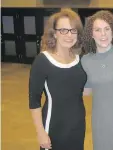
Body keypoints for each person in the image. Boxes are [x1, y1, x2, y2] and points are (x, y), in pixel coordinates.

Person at [29, 8, 87, 150]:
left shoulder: (81, 60)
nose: (69, 35)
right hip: (53, 128)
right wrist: (41, 133)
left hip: (78, 127)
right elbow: (34, 101)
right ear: (54, 33)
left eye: (73, 30)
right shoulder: (43, 61)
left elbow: (85, 90)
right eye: (63, 30)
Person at [81, 10, 113, 150]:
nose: (103, 34)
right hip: (100, 119)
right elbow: (86, 91)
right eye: (98, 30)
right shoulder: (86, 60)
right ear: (91, 33)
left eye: (107, 29)